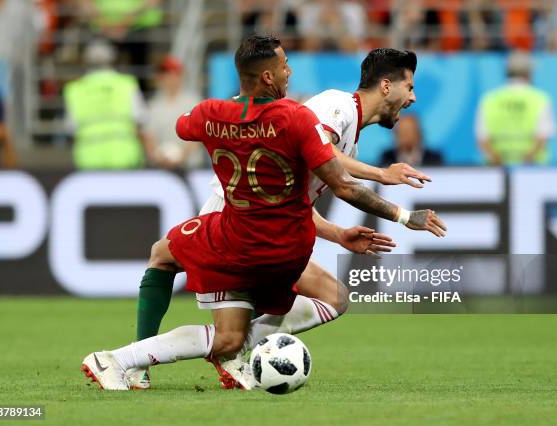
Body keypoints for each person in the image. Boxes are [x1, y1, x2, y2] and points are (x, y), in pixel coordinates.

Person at [80, 35, 446, 391]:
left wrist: (336, 233)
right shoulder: (335, 108)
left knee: (332, 299)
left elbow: (294, 197)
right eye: (409, 87)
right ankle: (138, 363)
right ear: (385, 85)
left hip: (273, 223)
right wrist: (384, 180)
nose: (413, 97)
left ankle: (223, 353)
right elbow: (325, 157)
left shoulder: (332, 125)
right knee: (166, 261)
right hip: (238, 212)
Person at [63, 39, 158, 170]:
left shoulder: (75, 90)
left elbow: (70, 127)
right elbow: (140, 122)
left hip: (89, 162)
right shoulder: (126, 84)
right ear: (112, 60)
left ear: (86, 61)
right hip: (124, 158)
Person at [475, 51, 557, 165]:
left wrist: (500, 162)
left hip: (496, 171)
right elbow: (543, 137)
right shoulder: (540, 99)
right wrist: (524, 162)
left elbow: (482, 140)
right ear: (529, 73)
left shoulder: (489, 99)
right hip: (533, 169)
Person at [144, 56, 204, 170]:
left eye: (172, 74)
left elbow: (200, 135)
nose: (168, 78)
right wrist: (158, 156)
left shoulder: (193, 102)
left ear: (180, 76)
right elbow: (148, 135)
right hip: (163, 167)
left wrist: (181, 157)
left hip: (192, 168)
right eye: (164, 74)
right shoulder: (154, 105)